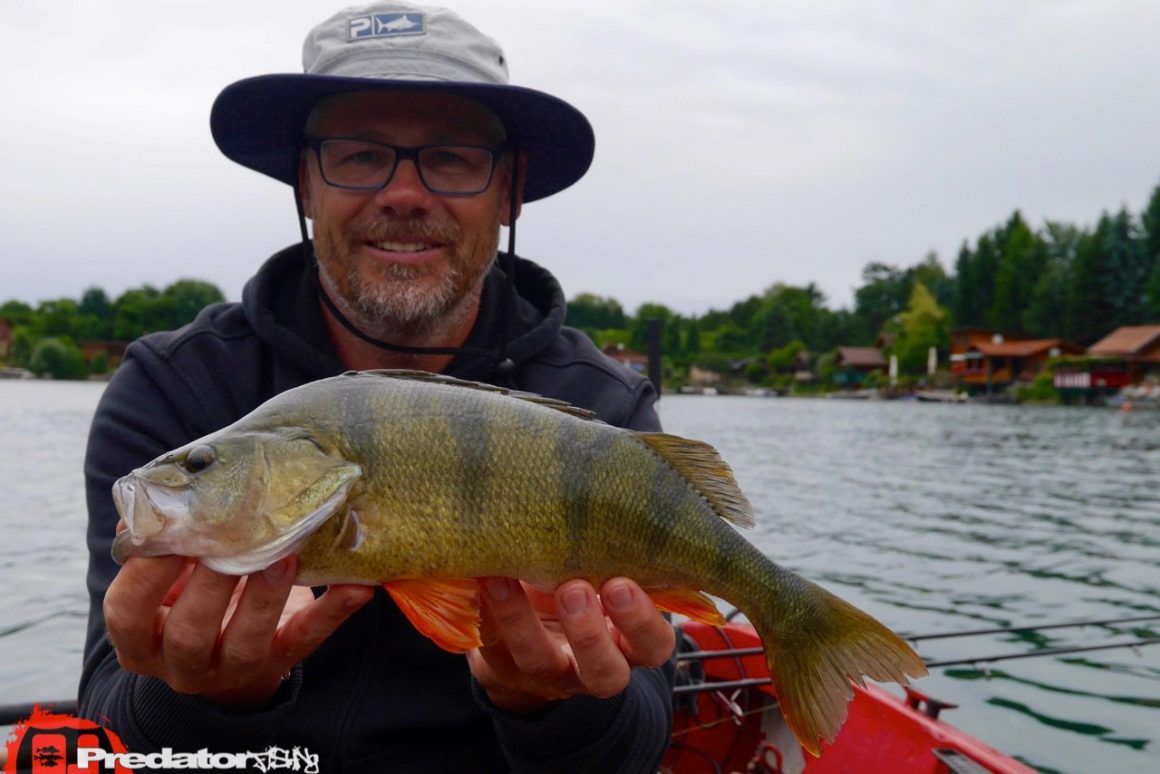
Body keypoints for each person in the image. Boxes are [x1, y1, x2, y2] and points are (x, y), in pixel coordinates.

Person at [78, 3, 676, 772]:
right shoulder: (173, 389)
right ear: (304, 182)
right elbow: (112, 720)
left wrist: (547, 703)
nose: (403, 194)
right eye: (359, 156)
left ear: (511, 190)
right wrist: (206, 697)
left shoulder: (604, 410)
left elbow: (643, 738)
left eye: (453, 157)